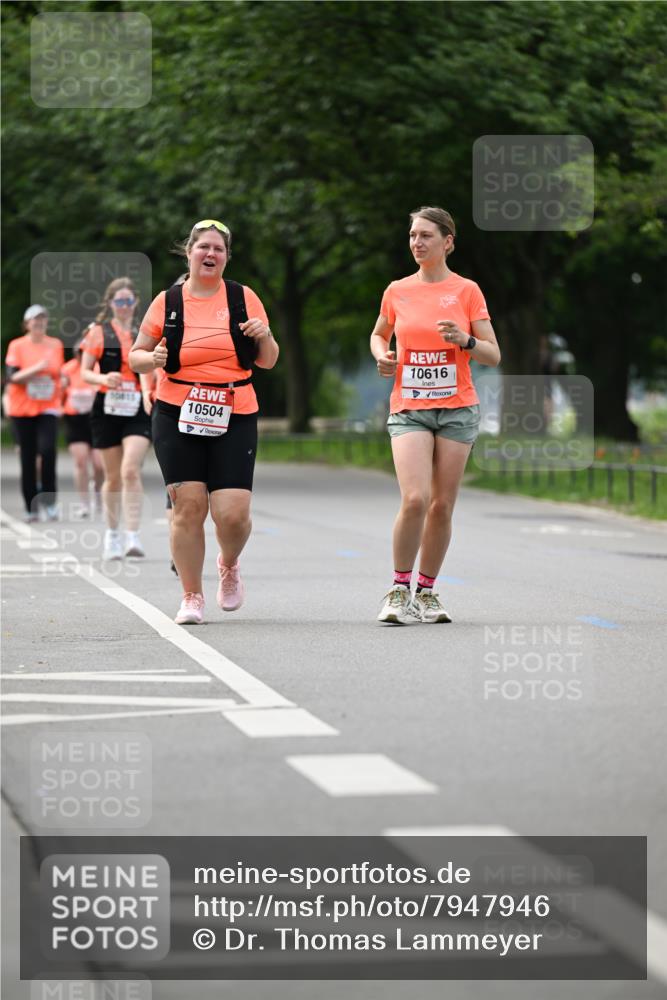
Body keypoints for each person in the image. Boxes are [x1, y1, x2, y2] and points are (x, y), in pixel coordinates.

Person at [129, 219, 279, 624]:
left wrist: (263, 335)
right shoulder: (168, 301)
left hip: (235, 409)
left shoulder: (243, 298)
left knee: (232, 514)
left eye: (218, 249)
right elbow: (136, 355)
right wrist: (152, 359)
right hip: (177, 409)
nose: (210, 254)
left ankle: (228, 564)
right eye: (203, 247)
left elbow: (267, 360)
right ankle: (191, 596)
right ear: (189, 252)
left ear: (227, 257)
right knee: (187, 507)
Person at [370, 206, 501, 624]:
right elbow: (378, 333)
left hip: (457, 408)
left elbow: (493, 354)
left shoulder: (466, 291)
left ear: (448, 242)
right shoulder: (397, 290)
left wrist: (463, 339)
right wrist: (382, 356)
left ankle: (426, 591)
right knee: (415, 499)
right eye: (412, 236)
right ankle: (397, 588)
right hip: (409, 407)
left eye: (426, 235)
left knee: (442, 506)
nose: (416, 242)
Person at [80, 277, 151, 560]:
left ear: (135, 303)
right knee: (112, 477)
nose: (123, 306)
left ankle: (132, 535)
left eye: (128, 301)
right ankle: (112, 534)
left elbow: (150, 368)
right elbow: (84, 372)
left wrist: (147, 393)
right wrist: (102, 378)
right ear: (110, 304)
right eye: (118, 301)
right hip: (107, 408)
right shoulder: (98, 332)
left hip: (136, 408)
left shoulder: (144, 332)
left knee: (130, 469)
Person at [4, 305, 64, 521]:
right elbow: (12, 377)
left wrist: (63, 381)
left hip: (48, 407)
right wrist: (37, 368)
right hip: (22, 409)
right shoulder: (17, 345)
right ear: (27, 324)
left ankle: (49, 502)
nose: (39, 323)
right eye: (34, 320)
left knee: (48, 451)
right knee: (28, 457)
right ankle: (31, 505)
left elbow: (59, 373)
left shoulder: (55, 345)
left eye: (42, 320)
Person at [61, 338, 103, 517]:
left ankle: (99, 496)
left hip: (95, 419)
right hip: (75, 418)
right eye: (79, 352)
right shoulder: (67, 369)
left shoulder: (97, 368)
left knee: (99, 465)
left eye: (84, 352)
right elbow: (59, 394)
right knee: (80, 461)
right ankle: (84, 503)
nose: (81, 355)